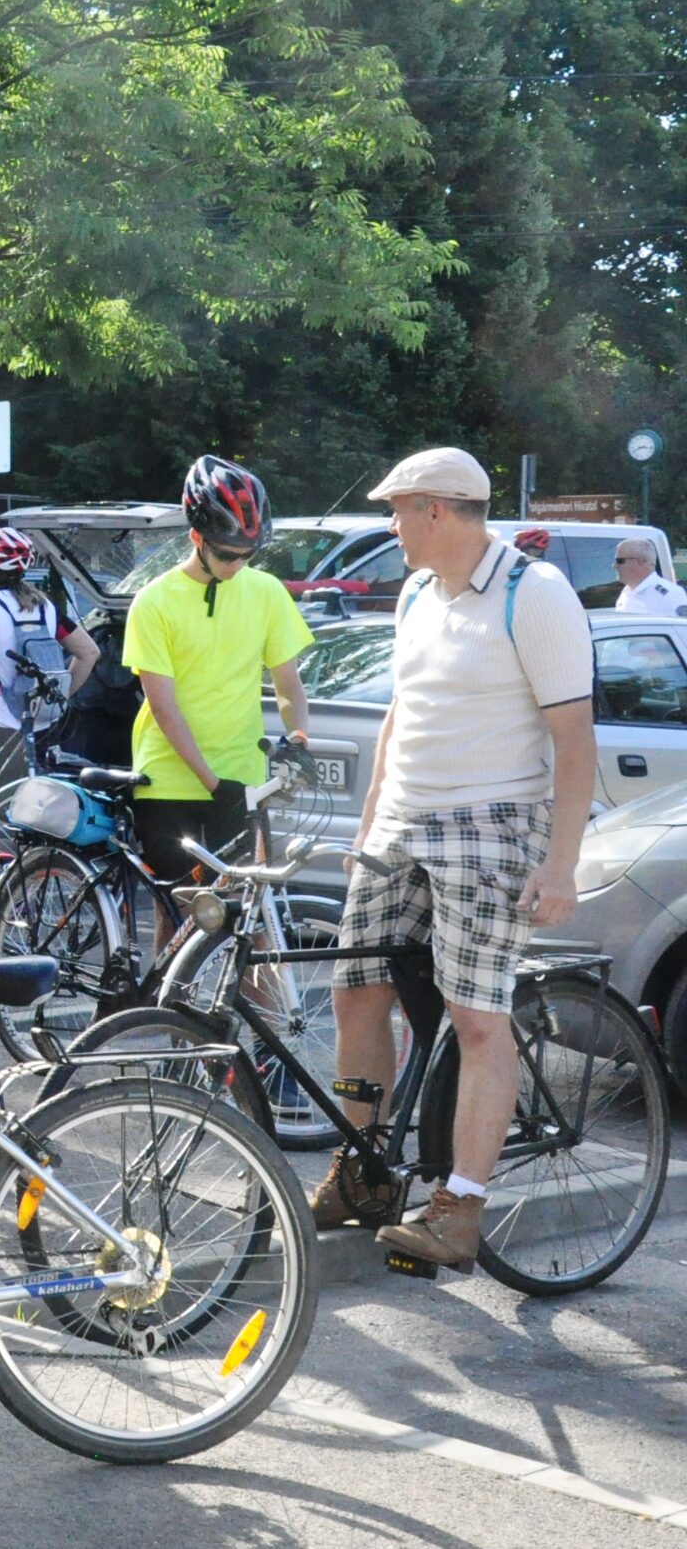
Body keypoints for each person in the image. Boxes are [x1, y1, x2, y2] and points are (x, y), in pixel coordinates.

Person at [316, 449, 595, 1268]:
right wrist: (369, 825)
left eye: (397, 511)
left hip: (489, 823)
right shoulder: (416, 592)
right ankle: (364, 1175)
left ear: (435, 510)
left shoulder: (532, 592)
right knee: (355, 992)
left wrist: (561, 864)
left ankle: (460, 1208)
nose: (391, 526)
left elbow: (575, 739)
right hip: (402, 822)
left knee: (476, 1016)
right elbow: (401, 716)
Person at [121, 457, 314, 889]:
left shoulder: (267, 592)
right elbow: (163, 706)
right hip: (169, 780)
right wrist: (212, 783)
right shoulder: (154, 602)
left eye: (249, 555)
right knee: (183, 907)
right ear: (196, 537)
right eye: (227, 554)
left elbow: (288, 685)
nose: (237, 565)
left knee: (245, 906)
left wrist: (299, 739)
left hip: (243, 779)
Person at [0, 527, 98, 785]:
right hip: (41, 724)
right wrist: (60, 696)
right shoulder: (43, 606)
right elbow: (89, 652)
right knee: (31, 800)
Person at [613, 536, 687, 616]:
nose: (614, 565)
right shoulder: (628, 590)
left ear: (640, 561)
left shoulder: (669, 594)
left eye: (619, 561)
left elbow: (681, 623)